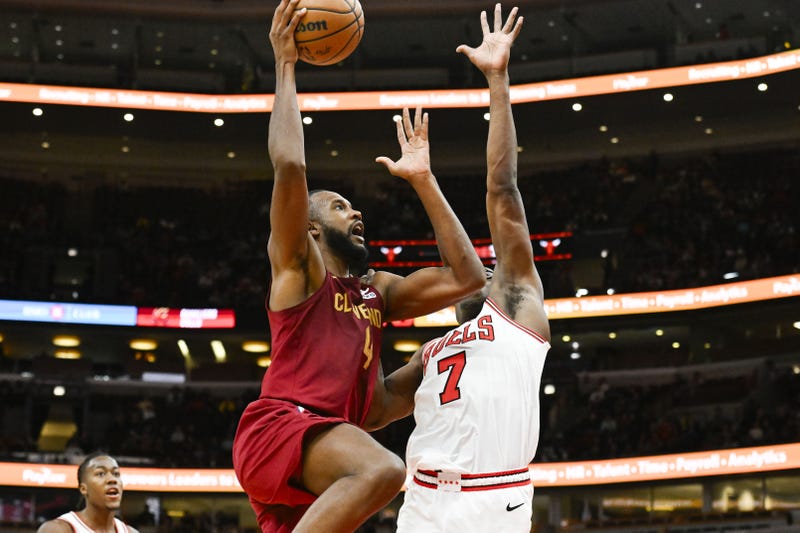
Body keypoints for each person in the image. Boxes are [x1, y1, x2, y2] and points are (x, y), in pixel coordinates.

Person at [231, 0, 486, 531]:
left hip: (325, 450)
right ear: (311, 228)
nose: (358, 210)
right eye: (341, 206)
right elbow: (291, 163)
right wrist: (285, 64)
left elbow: (466, 277)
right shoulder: (300, 272)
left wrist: (424, 181)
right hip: (283, 427)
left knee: (372, 466)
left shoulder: (377, 293)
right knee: (384, 470)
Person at [364, 5, 551, 532]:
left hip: (494, 499)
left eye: (489, 267)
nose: (485, 269)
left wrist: (498, 81)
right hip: (422, 501)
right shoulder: (431, 351)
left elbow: (503, 191)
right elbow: (375, 410)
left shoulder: (517, 307)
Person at [37, 452, 139, 533]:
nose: (112, 479)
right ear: (83, 489)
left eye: (116, 473)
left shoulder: (131, 531)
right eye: (100, 474)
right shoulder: (58, 529)